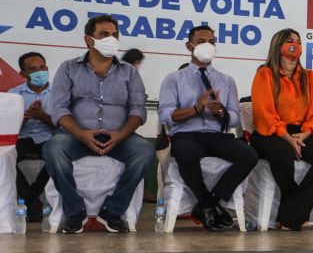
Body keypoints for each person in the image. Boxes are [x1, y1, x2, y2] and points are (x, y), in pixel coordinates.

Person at [43, 14, 155, 234]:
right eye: (104, 34)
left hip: (119, 137)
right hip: (77, 136)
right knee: (53, 148)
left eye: (115, 35)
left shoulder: (129, 72)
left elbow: (138, 110)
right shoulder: (68, 68)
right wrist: (81, 134)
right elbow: (60, 110)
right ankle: (74, 211)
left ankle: (113, 210)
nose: (111, 39)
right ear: (89, 40)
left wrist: (121, 135)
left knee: (144, 150)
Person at [158, 25, 258, 232]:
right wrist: (196, 108)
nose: (208, 46)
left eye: (211, 42)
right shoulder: (174, 79)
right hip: (186, 134)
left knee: (249, 155)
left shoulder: (226, 81)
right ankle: (207, 202)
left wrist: (220, 112)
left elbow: (234, 119)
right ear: (189, 46)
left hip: (217, 136)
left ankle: (207, 204)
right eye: (202, 42)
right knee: (186, 152)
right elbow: (165, 114)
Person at [250, 28, 313, 231]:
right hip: (269, 132)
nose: (295, 45)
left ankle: (290, 213)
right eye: (290, 41)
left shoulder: (310, 77)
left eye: (298, 41)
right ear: (279, 46)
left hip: (301, 132)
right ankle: (295, 214)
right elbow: (264, 112)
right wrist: (288, 138)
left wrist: (304, 134)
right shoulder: (265, 74)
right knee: (282, 152)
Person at [9, 52, 56, 221]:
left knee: (57, 158)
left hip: (49, 138)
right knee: (6, 159)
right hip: (22, 139)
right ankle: (33, 202)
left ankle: (31, 198)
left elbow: (63, 127)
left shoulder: (59, 93)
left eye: (42, 67)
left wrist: (43, 116)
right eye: (33, 69)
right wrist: (25, 117)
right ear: (23, 74)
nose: (39, 72)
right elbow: (8, 128)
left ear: (47, 68)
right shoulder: (13, 95)